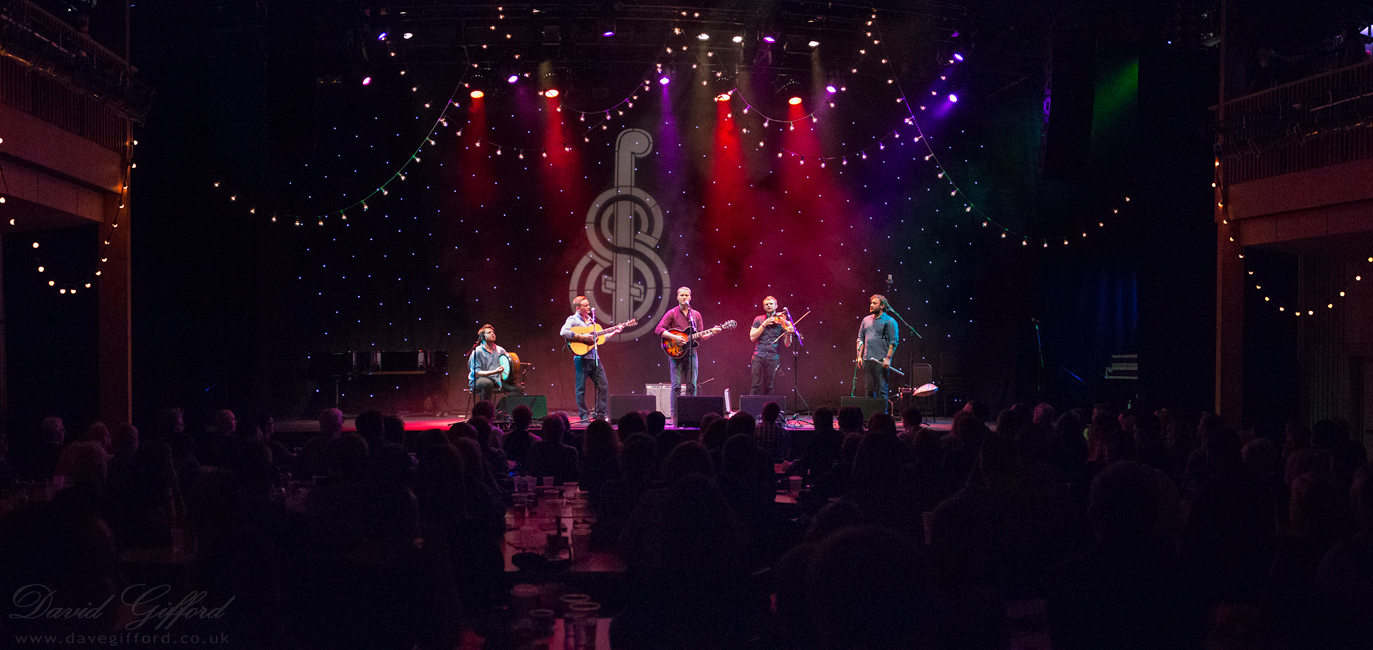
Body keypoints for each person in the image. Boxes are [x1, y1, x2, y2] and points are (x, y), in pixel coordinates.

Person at [656, 287, 721, 422]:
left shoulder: (695, 315)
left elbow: (701, 336)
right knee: (676, 386)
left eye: (686, 295)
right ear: (677, 297)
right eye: (682, 295)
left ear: (690, 297)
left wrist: (712, 333)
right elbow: (659, 329)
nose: (684, 297)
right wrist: (675, 337)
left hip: (691, 353)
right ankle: (675, 415)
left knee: (692, 385)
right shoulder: (672, 313)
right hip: (675, 353)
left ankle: (692, 413)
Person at [560, 296, 622, 422]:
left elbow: (601, 338)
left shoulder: (591, 322)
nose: (589, 307)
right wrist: (582, 336)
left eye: (588, 305)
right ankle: (584, 416)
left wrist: (615, 331)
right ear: (578, 308)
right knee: (580, 389)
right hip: (581, 358)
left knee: (603, 386)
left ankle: (600, 415)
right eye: (585, 305)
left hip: (594, 358)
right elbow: (563, 332)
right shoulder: (573, 319)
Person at [855, 294, 899, 401]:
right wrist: (859, 356)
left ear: (882, 306)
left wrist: (888, 358)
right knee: (869, 390)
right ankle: (870, 412)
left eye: (875, 303)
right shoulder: (865, 320)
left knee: (882, 391)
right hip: (867, 360)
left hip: (881, 361)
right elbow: (860, 339)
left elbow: (893, 342)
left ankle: (882, 412)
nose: (871, 305)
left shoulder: (890, 321)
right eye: (871, 303)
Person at [748, 296, 794, 396]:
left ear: (776, 306)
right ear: (764, 307)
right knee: (755, 385)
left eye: (771, 304)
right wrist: (764, 324)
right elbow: (752, 337)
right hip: (759, 356)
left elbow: (787, 344)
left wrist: (789, 334)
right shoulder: (758, 319)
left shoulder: (782, 321)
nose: (769, 305)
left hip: (773, 357)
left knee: (770, 387)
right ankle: (753, 406)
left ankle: (768, 406)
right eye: (766, 304)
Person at [467, 324, 507, 404]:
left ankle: (502, 409)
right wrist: (495, 372)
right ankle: (486, 409)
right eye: (489, 332)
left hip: (496, 380)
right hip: (479, 380)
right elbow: (477, 373)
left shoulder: (500, 350)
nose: (492, 334)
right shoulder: (477, 352)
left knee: (517, 388)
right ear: (483, 336)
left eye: (493, 332)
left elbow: (508, 363)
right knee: (487, 383)